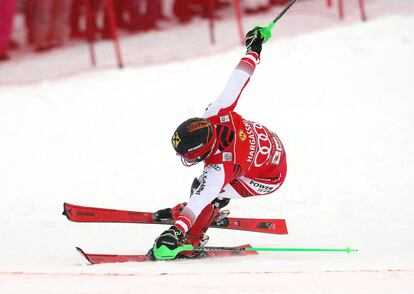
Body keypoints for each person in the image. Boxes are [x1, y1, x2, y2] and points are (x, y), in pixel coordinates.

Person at [148, 27, 287, 260]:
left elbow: (202, 196)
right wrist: (253, 49)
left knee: (204, 190)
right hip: (270, 147)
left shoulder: (220, 167)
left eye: (188, 156)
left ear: (203, 151)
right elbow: (238, 79)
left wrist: (176, 231)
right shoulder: (214, 113)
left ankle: (194, 240)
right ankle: (213, 209)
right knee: (207, 188)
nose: (184, 159)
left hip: (269, 177)